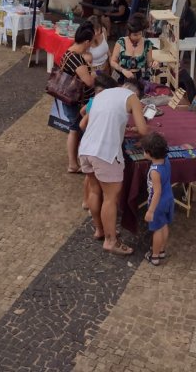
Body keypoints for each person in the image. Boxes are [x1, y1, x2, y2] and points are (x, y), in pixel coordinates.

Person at [79, 79, 149, 255]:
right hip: (105, 153)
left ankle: (100, 230)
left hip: (86, 148)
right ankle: (111, 241)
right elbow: (142, 130)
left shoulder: (102, 94)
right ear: (136, 93)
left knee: (95, 191)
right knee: (110, 197)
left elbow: (86, 123)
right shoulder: (132, 98)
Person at [79, 72, 119, 210]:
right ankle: (89, 202)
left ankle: (86, 201)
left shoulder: (92, 100)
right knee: (94, 183)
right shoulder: (99, 103)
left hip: (87, 145)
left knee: (90, 179)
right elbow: (82, 123)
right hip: (95, 146)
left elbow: (82, 112)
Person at [59, 22, 96, 174]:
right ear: (87, 42)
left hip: (71, 98)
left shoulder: (70, 52)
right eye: (92, 41)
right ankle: (73, 164)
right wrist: (96, 74)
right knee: (76, 129)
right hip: (74, 101)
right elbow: (88, 81)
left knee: (76, 129)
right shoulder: (76, 59)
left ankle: (75, 162)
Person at [143, 132, 173, 266]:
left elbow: (157, 192)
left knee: (157, 229)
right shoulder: (166, 161)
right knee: (164, 225)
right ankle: (161, 250)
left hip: (158, 204)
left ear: (149, 153)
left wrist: (151, 211)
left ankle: (154, 256)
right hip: (169, 198)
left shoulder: (154, 171)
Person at [110, 13, 157, 83]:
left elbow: (149, 63)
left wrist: (154, 63)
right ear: (129, 33)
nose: (138, 37)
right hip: (121, 75)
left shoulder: (147, 44)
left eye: (140, 34)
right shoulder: (121, 42)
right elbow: (113, 62)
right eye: (135, 35)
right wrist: (123, 70)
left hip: (139, 77)